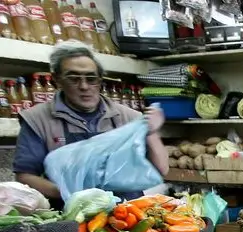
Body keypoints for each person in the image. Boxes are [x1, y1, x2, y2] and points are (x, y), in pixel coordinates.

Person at [13, 41, 169, 207]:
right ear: (57, 80)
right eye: (73, 79)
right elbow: (25, 176)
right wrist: (70, 193)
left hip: (128, 211)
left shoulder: (128, 117)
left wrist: (151, 131)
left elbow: (161, 169)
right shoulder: (38, 119)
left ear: (100, 80)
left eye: (91, 78)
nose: (84, 86)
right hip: (73, 212)